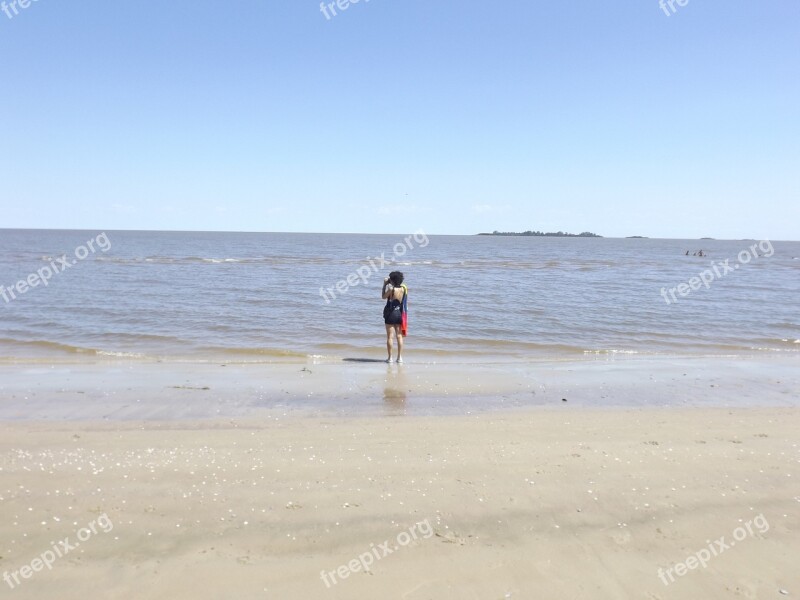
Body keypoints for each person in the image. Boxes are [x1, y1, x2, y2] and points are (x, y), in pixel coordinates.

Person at [381, 271, 407, 363]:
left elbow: (383, 297)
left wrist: (384, 285)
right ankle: (400, 358)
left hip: (390, 314)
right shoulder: (404, 289)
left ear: (392, 280)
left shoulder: (391, 289)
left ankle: (390, 358)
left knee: (390, 337)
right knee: (399, 336)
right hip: (399, 314)